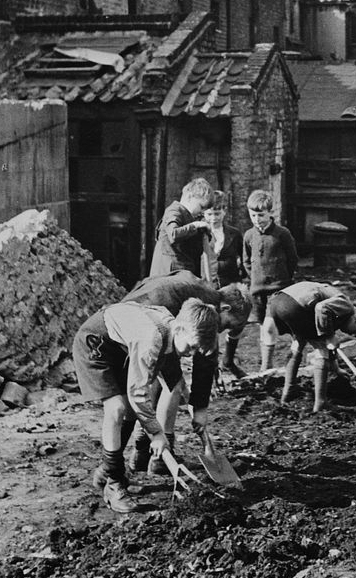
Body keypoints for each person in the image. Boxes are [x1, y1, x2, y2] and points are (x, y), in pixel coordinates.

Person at [72, 296, 219, 513]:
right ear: (179, 329)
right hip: (94, 343)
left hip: (119, 347)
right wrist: (157, 434)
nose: (191, 354)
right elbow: (138, 394)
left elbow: (172, 377)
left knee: (131, 410)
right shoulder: (151, 339)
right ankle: (114, 485)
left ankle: (108, 471)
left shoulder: (170, 332)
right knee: (117, 408)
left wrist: (192, 404)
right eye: (191, 346)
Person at [114, 270, 253, 477]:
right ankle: (160, 456)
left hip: (130, 317)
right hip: (138, 325)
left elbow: (203, 363)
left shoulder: (201, 290)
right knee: (175, 385)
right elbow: (205, 361)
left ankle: (142, 452)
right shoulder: (205, 312)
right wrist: (199, 410)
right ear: (224, 308)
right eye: (227, 325)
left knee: (158, 383)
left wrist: (198, 406)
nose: (222, 331)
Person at [269, 282, 356, 413]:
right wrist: (329, 335)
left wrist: (336, 369)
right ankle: (321, 402)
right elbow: (321, 307)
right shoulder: (347, 306)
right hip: (298, 304)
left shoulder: (338, 314)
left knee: (299, 343)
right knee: (322, 350)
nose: (351, 333)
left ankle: (288, 390)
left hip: (278, 302)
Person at [242, 189, 299, 372]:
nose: (257, 219)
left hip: (277, 287)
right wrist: (255, 278)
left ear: (271, 213)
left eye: (261, 215)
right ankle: (267, 364)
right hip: (257, 290)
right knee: (262, 326)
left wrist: (282, 278)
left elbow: (293, 259)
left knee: (269, 326)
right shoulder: (249, 236)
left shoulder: (282, 234)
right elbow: (246, 261)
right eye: (253, 215)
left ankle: (266, 368)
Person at [204, 190, 247, 378]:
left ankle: (228, 360)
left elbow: (243, 258)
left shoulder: (234, 234)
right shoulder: (200, 233)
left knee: (238, 320)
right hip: (207, 287)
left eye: (217, 213)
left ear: (225, 212)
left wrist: (243, 280)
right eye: (209, 214)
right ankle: (212, 370)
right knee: (211, 326)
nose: (213, 218)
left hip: (230, 285)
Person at [149, 177, 216, 278]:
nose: (202, 212)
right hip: (169, 274)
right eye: (201, 207)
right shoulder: (174, 211)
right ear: (189, 197)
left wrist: (206, 232)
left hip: (184, 272)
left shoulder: (193, 217)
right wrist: (196, 225)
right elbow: (174, 235)